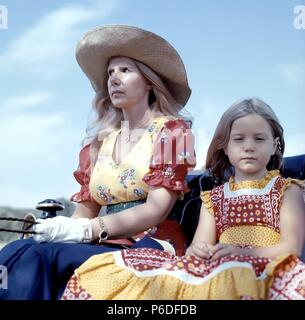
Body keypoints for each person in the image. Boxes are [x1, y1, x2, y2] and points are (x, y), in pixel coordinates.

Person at [0, 25, 196, 300]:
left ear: (150, 81)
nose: (114, 79)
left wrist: (87, 230)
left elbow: (156, 210)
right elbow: (84, 213)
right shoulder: (97, 145)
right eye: (110, 73)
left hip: (152, 242)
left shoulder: (173, 133)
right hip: (104, 241)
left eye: (125, 71)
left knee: (37, 258)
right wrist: (62, 229)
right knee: (17, 250)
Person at [62, 98, 305, 300]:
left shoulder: (286, 191)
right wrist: (201, 251)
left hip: (269, 265)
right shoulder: (214, 198)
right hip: (223, 267)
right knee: (124, 269)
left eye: (259, 139)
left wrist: (243, 252)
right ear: (225, 147)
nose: (249, 147)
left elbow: (291, 248)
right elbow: (196, 248)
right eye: (239, 139)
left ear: (274, 146)